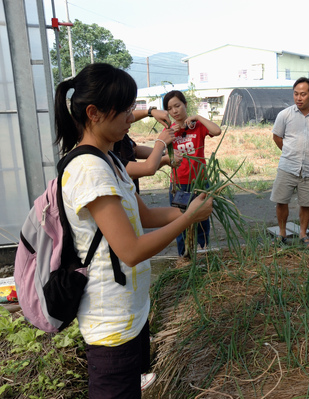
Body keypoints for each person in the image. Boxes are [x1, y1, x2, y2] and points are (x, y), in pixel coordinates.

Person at [54, 63, 213, 398]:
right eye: (126, 110)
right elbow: (131, 249)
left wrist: (185, 210)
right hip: (110, 325)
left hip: (132, 313)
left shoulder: (110, 160)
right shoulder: (88, 169)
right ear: (94, 113)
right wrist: (187, 221)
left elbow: (145, 216)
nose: (132, 117)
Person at [270, 77, 309, 249]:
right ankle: (282, 233)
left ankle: (303, 233)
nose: (298, 98)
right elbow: (277, 137)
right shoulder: (285, 115)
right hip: (287, 166)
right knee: (281, 200)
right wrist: (291, 153)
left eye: (303, 94)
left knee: (306, 202)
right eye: (296, 94)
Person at [163, 90, 222, 257]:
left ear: (185, 105)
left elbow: (217, 131)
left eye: (177, 105)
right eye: (170, 108)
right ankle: (184, 258)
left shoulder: (197, 126)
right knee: (180, 223)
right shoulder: (168, 131)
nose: (175, 111)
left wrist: (198, 117)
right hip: (179, 184)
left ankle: (203, 256)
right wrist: (170, 133)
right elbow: (159, 150)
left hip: (200, 182)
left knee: (202, 222)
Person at [112, 109, 182, 193]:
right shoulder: (105, 156)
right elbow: (147, 168)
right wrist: (161, 144)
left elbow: (135, 150)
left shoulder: (120, 136)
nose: (131, 118)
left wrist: (164, 154)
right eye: (126, 112)